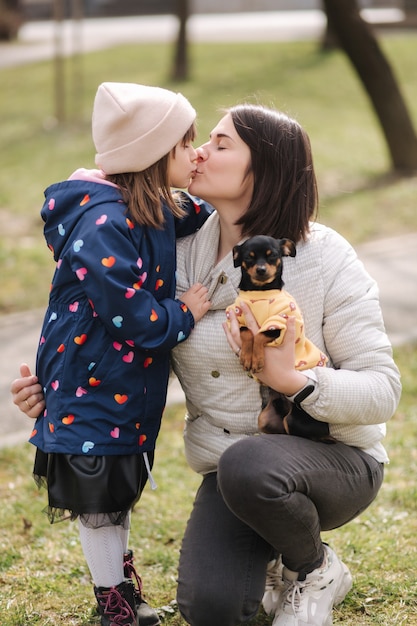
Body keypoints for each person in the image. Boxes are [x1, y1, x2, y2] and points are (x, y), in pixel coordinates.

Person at [12, 104, 401, 626]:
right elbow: (128, 343)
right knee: (209, 608)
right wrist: (62, 387)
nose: (198, 152)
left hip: (332, 461)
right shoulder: (171, 252)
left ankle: (313, 568)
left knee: (250, 463)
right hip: (231, 468)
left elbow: (383, 389)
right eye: (202, 141)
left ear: (262, 169)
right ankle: (265, 557)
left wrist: (292, 380)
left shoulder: (325, 255)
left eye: (220, 144)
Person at [10, 81, 212, 626]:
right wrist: (185, 311)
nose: (195, 154)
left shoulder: (148, 206)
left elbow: (198, 215)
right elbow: (129, 314)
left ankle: (120, 589)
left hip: (120, 384)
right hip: (90, 382)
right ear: (150, 157)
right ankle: (113, 605)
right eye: (184, 145)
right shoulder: (102, 222)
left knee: (117, 490)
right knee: (98, 496)